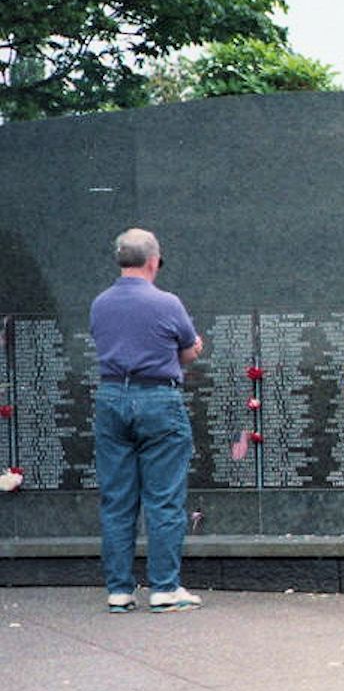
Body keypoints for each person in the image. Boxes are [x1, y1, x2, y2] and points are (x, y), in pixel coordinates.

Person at [90, 228, 205, 613]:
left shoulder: (100, 304)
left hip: (110, 399)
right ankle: (164, 589)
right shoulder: (167, 303)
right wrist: (189, 351)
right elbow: (188, 351)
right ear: (153, 261)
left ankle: (119, 591)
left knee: (117, 500)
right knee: (164, 499)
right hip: (158, 399)